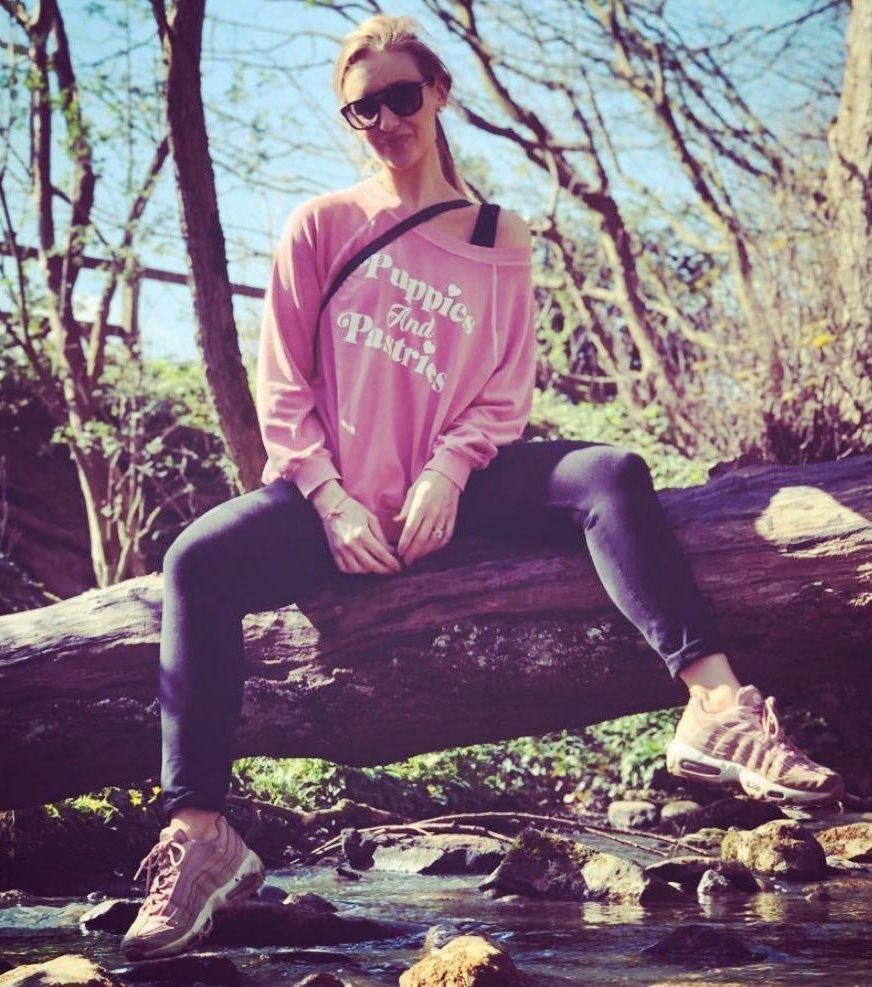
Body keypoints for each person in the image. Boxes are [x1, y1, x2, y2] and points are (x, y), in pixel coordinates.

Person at [121, 13, 844, 962]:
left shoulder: (500, 236)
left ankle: (715, 709)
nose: (384, 121)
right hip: (335, 506)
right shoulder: (320, 225)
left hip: (452, 495)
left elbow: (504, 392)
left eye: (399, 97)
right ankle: (201, 837)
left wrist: (449, 469)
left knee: (609, 473)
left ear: (437, 93)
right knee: (194, 560)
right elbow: (282, 388)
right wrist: (330, 499)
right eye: (362, 109)